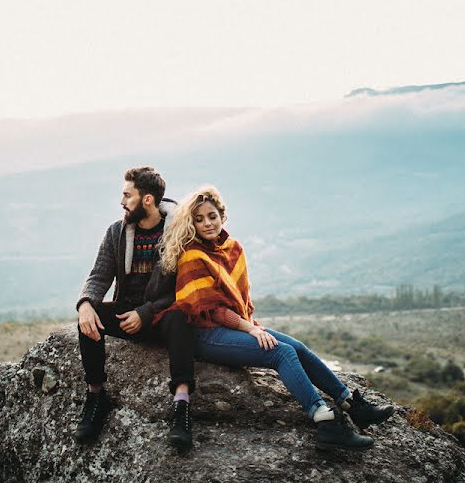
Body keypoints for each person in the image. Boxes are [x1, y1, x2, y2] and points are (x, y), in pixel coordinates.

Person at [155, 186, 394, 450]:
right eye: (198, 219)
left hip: (236, 326)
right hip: (206, 333)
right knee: (281, 353)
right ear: (192, 224)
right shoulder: (192, 255)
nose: (207, 223)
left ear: (222, 215)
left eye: (211, 216)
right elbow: (210, 309)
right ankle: (324, 421)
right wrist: (252, 330)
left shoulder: (233, 249)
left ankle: (351, 403)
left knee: (298, 348)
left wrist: (251, 326)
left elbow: (241, 301)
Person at [75, 166, 196, 449]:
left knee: (181, 317)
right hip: (124, 311)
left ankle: (182, 407)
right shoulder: (117, 232)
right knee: (90, 318)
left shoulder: (179, 234)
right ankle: (96, 396)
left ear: (147, 200)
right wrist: (85, 304)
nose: (122, 202)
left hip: (162, 315)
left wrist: (147, 312)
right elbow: (99, 275)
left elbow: (183, 290)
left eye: (127, 195)